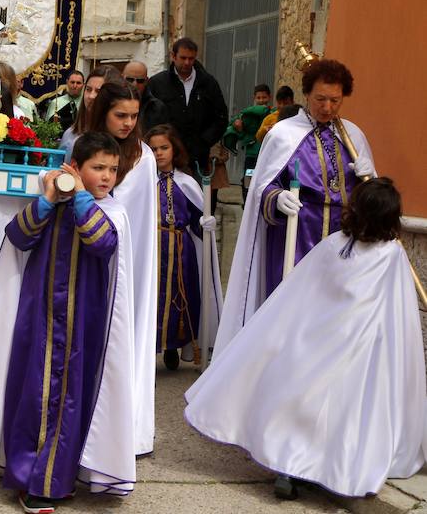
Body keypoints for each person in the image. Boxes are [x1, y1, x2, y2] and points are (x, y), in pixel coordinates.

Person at [186, 178, 425, 500]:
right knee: (340, 407)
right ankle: (315, 466)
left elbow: (299, 294)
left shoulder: (335, 243)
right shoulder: (389, 253)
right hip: (356, 343)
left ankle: (290, 465)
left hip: (314, 339)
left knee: (302, 400)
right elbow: (397, 313)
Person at [0, 132, 136, 513]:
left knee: (71, 399)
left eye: (113, 169)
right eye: (97, 168)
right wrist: (49, 199)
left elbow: (102, 243)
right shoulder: (52, 204)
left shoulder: (110, 211)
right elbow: (18, 235)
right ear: (74, 167)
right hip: (41, 319)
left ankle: (55, 477)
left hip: (83, 324)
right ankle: (35, 479)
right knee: (37, 395)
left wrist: (79, 196)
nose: (107, 176)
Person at [214, 58, 376, 353]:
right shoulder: (283, 134)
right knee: (294, 316)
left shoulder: (353, 136)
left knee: (336, 316)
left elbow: (373, 201)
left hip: (342, 239)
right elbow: (262, 187)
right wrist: (277, 198)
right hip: (297, 235)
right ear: (306, 95)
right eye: (320, 99)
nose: (327, 108)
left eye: (335, 101)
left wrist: (369, 179)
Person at [85, 82, 158, 456]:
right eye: (120, 115)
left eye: (134, 115)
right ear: (103, 112)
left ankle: (122, 429)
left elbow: (134, 219)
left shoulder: (143, 158)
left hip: (124, 263)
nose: (129, 123)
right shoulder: (84, 144)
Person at [145, 125, 221, 370]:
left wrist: (205, 223)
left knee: (181, 297)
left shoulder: (187, 182)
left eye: (164, 148)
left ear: (174, 149)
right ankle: (151, 348)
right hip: (152, 249)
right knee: (152, 299)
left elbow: (199, 219)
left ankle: (173, 347)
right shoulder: (143, 181)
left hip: (180, 250)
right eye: (154, 149)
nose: (159, 153)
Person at [147, 38, 228, 174]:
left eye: (191, 59)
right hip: (164, 160)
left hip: (197, 160)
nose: (187, 62)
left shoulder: (208, 83)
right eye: (183, 58)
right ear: (173, 56)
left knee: (195, 194)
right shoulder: (157, 83)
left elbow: (221, 117)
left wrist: (204, 141)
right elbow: (149, 117)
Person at [59, 65, 123, 161]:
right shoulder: (71, 134)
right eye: (88, 90)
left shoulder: (123, 134)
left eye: (98, 91)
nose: (91, 96)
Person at [123, 60, 167, 132]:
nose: (134, 84)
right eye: (130, 79)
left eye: (140, 81)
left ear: (146, 81)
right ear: (122, 78)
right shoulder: (112, 102)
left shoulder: (157, 108)